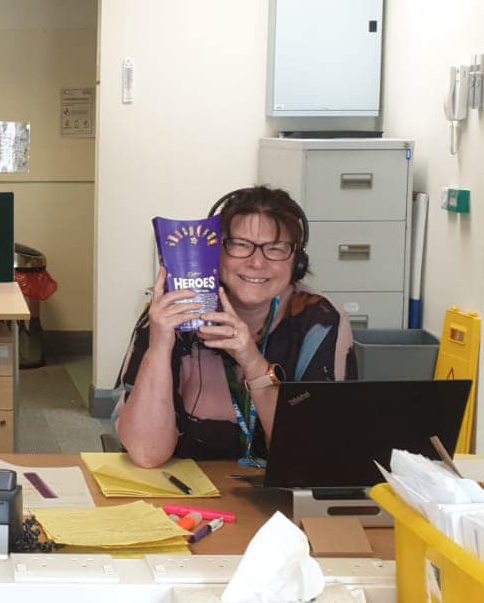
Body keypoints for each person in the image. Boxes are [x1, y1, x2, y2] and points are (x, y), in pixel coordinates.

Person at [115, 185, 354, 467]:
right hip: (188, 496)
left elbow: (314, 457)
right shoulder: (172, 314)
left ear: (297, 262)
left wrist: (253, 363)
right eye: (240, 245)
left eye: (276, 249)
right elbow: (146, 453)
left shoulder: (319, 321)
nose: (256, 262)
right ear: (215, 252)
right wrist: (159, 347)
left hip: (284, 498)